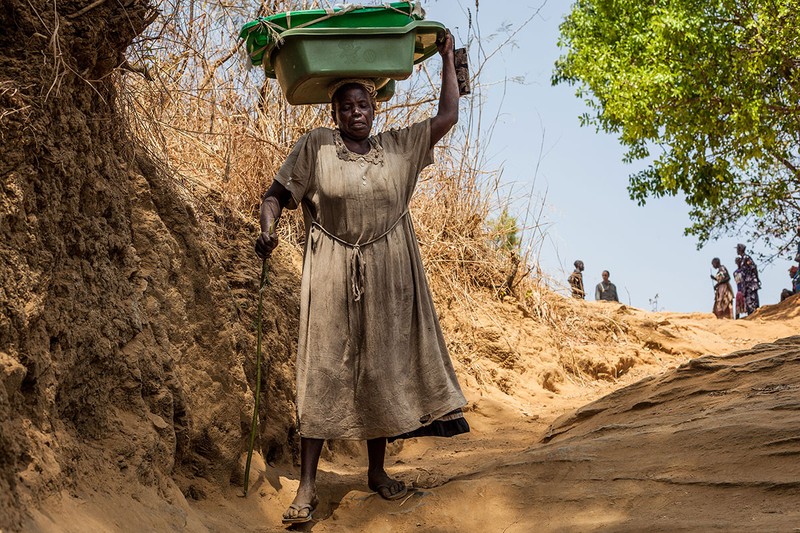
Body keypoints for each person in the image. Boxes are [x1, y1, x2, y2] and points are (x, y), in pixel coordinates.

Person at [255, 31, 469, 525]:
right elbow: (275, 195)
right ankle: (307, 488)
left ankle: (377, 473)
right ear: (334, 114)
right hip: (329, 274)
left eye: (364, 103)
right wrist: (267, 230)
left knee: (380, 369)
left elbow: (448, 118)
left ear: (375, 108)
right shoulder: (316, 147)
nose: (357, 112)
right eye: (347, 106)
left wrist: (448, 61)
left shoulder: (397, 148)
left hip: (391, 276)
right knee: (323, 369)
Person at [736, 243, 760, 315]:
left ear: (740, 249)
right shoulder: (742, 259)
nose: (736, 251)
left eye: (737, 249)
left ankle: (754, 315)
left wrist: (757, 279)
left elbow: (753, 268)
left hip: (751, 283)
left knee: (752, 300)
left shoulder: (747, 258)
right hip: (746, 284)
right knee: (748, 301)